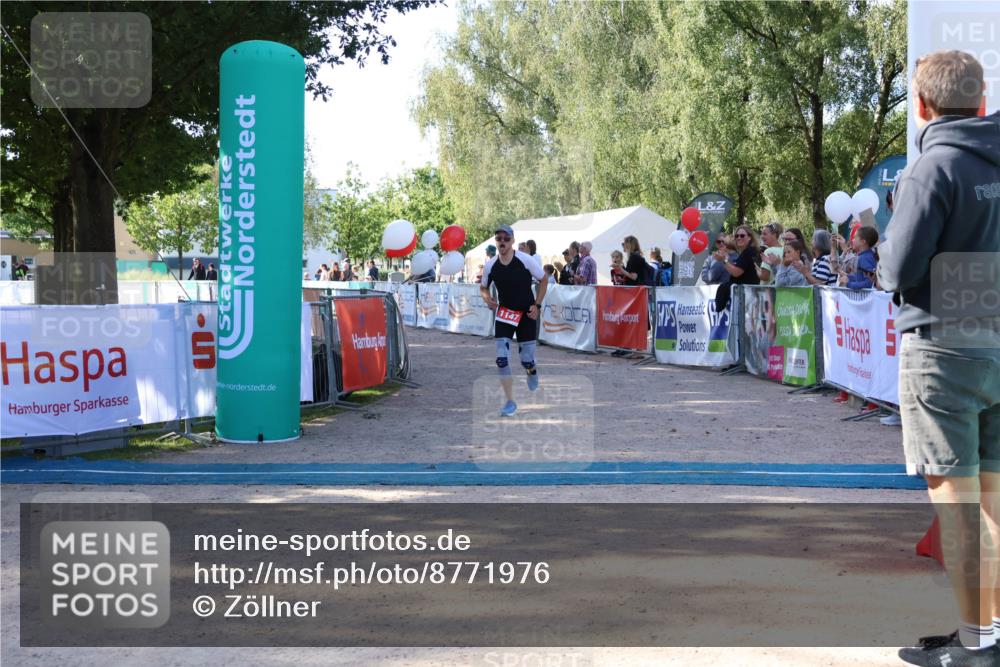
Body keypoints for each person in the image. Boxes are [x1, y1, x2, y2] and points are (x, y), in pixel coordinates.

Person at [876, 50, 1000, 667]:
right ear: (980, 100)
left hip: (945, 348)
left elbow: (895, 269)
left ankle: (980, 644)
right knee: (991, 505)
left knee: (958, 506)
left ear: (922, 106)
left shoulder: (933, 167)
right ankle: (991, 633)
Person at [480, 224, 547, 417]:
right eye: (499, 238)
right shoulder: (491, 265)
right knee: (501, 358)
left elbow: (543, 280)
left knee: (526, 359)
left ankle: (531, 368)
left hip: (526, 313)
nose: (502, 242)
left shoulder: (525, 260)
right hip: (505, 313)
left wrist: (537, 305)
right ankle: (510, 401)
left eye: (506, 239)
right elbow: (483, 287)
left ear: (512, 241)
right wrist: (486, 298)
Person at [713, 224, 761, 311]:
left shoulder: (748, 252)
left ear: (750, 237)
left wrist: (724, 260)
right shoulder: (750, 251)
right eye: (736, 236)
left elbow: (736, 272)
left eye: (742, 235)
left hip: (745, 296)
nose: (739, 238)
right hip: (749, 295)